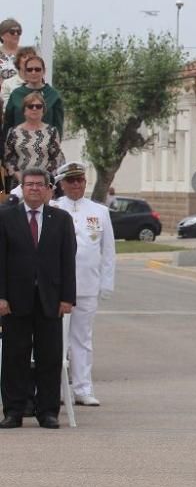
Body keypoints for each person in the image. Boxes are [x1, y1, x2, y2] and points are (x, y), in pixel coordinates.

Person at [0, 167, 77, 429]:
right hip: (14, 300)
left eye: (38, 185)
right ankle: (13, 411)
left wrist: (67, 297)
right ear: (22, 188)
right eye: (29, 184)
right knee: (14, 357)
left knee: (50, 356)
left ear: (47, 189)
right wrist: (1, 296)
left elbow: (68, 261)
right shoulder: (5, 217)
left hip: (51, 300)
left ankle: (48, 412)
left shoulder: (61, 219)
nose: (34, 188)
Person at [54, 161, 116, 406]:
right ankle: (57, 390)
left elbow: (108, 251)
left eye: (80, 180)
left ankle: (82, 388)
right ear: (61, 184)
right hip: (58, 288)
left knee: (82, 339)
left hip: (87, 285)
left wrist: (107, 284)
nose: (76, 185)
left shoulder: (99, 212)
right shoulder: (54, 208)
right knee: (57, 341)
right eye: (71, 180)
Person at [4, 91, 65, 185]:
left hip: (45, 183)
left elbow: (56, 159)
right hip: (20, 183)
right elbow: (8, 159)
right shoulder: (13, 132)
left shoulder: (52, 131)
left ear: (43, 110)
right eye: (30, 106)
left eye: (38, 106)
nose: (34, 108)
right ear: (24, 110)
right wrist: (19, 176)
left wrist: (44, 178)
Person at [3, 54, 64, 139]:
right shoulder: (16, 94)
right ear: (25, 72)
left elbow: (58, 128)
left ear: (44, 71)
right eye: (29, 69)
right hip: (17, 147)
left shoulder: (53, 95)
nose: (33, 72)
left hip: (45, 148)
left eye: (37, 69)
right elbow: (7, 125)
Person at [0, 46, 37, 113]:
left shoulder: (40, 83)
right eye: (24, 57)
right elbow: (6, 110)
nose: (27, 60)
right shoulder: (7, 84)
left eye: (31, 58)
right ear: (18, 61)